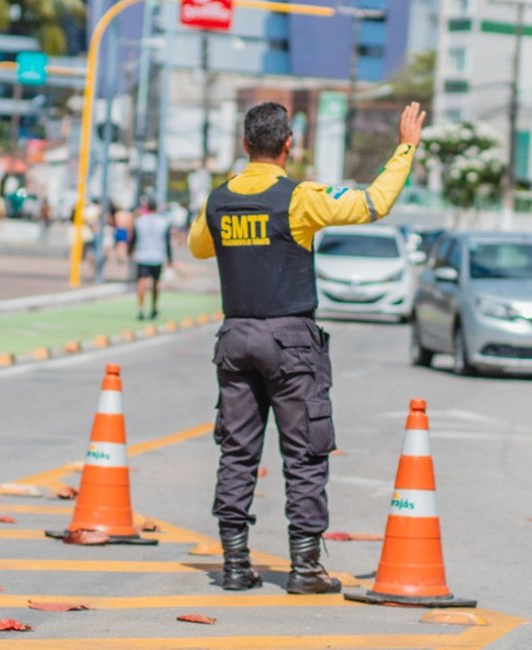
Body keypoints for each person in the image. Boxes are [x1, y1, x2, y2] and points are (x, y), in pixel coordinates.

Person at [187, 101, 425, 593]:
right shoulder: (299, 199)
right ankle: (305, 567)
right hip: (291, 341)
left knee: (237, 452)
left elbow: (198, 246)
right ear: (288, 145)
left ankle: (234, 564)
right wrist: (406, 148)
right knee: (304, 454)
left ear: (245, 144)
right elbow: (373, 203)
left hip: (235, 338)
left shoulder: (217, 200)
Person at [129, 196, 172, 320]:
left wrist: (130, 251)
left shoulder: (139, 221)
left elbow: (134, 239)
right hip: (158, 255)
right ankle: (154, 307)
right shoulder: (164, 222)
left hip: (142, 255)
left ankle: (140, 308)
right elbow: (167, 242)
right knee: (156, 283)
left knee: (141, 283)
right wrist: (169, 259)